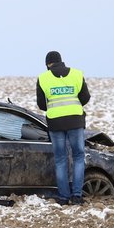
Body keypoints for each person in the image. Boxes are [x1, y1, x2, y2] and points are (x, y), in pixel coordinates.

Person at [36, 51, 90, 206]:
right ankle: (77, 196)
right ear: (61, 61)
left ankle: (63, 197)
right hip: (75, 121)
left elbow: (41, 105)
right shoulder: (77, 74)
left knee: (60, 159)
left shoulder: (43, 78)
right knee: (78, 157)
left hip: (55, 123)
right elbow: (85, 98)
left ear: (48, 64)